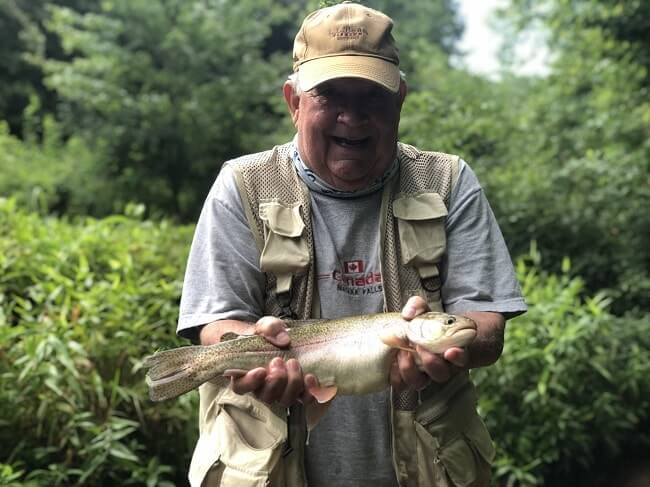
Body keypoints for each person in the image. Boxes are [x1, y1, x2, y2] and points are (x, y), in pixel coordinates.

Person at [176, 2, 527, 486]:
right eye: (330, 96)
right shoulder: (243, 184)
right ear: (293, 101)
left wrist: (454, 349)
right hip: (267, 469)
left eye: (371, 97)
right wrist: (252, 349)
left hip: (429, 468)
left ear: (399, 99)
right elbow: (213, 321)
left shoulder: (447, 181)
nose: (352, 116)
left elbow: (486, 327)